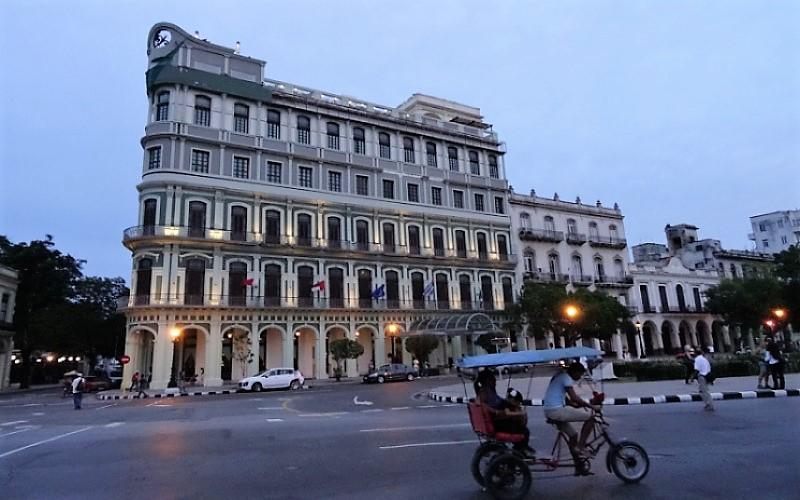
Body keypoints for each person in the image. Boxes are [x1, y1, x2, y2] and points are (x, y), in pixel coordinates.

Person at [543, 362, 596, 475]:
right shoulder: (566, 378)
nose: (580, 377)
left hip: (550, 410)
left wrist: (575, 405)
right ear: (575, 371)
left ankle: (579, 467)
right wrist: (591, 406)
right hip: (556, 411)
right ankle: (581, 447)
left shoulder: (559, 376)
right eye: (580, 374)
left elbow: (562, 397)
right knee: (590, 418)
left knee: (573, 435)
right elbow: (574, 397)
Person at [474, 370, 535, 458]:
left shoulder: (491, 392)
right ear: (488, 380)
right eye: (493, 379)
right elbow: (479, 403)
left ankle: (520, 448)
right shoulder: (484, 392)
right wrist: (494, 411)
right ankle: (520, 449)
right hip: (498, 422)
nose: (495, 381)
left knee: (520, 420)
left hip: (501, 419)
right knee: (525, 431)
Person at [693, 347, 714, 411]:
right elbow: (709, 368)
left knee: (704, 391)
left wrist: (693, 377)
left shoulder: (697, 359)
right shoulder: (704, 359)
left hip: (702, 376)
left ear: (696, 353)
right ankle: (708, 404)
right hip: (707, 376)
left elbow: (697, 369)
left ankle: (709, 404)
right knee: (703, 391)